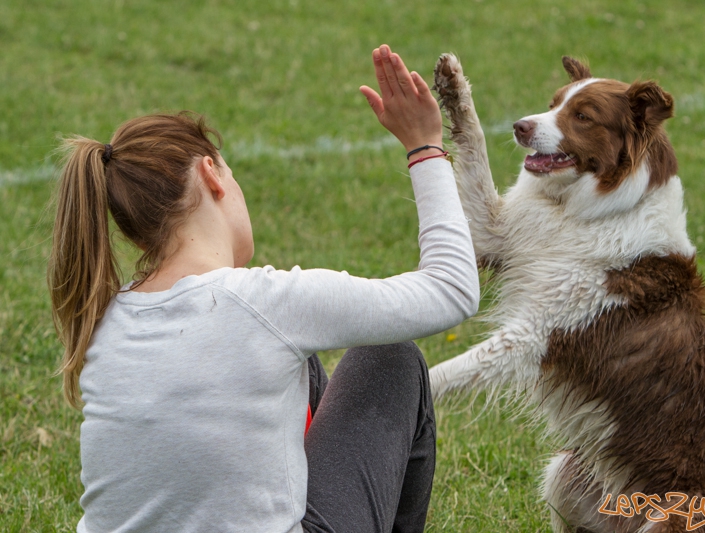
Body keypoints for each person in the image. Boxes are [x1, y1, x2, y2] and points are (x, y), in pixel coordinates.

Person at [48, 44, 479, 533]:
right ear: (211, 175)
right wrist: (424, 147)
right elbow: (452, 288)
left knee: (303, 366)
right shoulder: (266, 304)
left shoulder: (106, 319)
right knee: (388, 360)